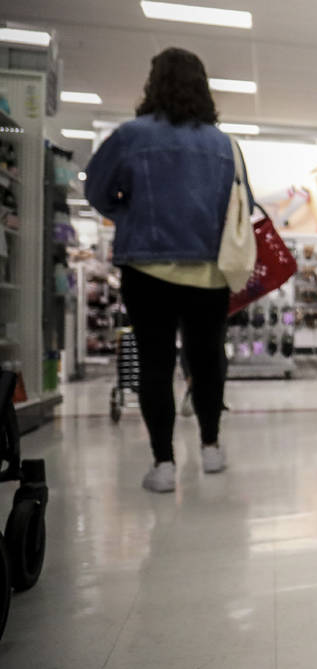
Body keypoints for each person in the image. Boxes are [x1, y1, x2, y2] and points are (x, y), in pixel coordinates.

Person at [85, 47, 238, 493]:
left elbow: (97, 190)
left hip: (146, 268)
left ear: (153, 84)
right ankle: (210, 448)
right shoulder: (221, 144)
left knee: (155, 363)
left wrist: (127, 209)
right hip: (209, 270)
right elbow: (232, 206)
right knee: (208, 359)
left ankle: (164, 464)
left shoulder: (131, 136)